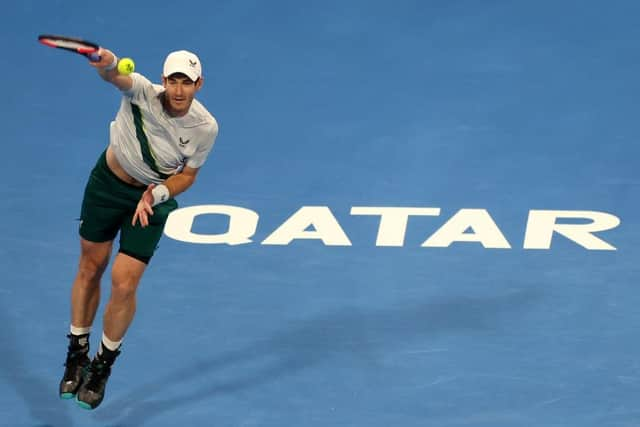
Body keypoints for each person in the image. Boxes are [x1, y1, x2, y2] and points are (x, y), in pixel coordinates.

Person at [58, 47, 218, 410]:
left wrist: (157, 192)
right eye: (174, 81)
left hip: (152, 200)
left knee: (125, 281)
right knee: (90, 267)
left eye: (187, 83)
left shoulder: (205, 127)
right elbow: (116, 76)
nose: (179, 90)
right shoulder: (141, 92)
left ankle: (102, 365)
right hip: (106, 186)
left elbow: (188, 175)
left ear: (199, 85)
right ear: (163, 81)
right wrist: (108, 64)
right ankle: (77, 351)